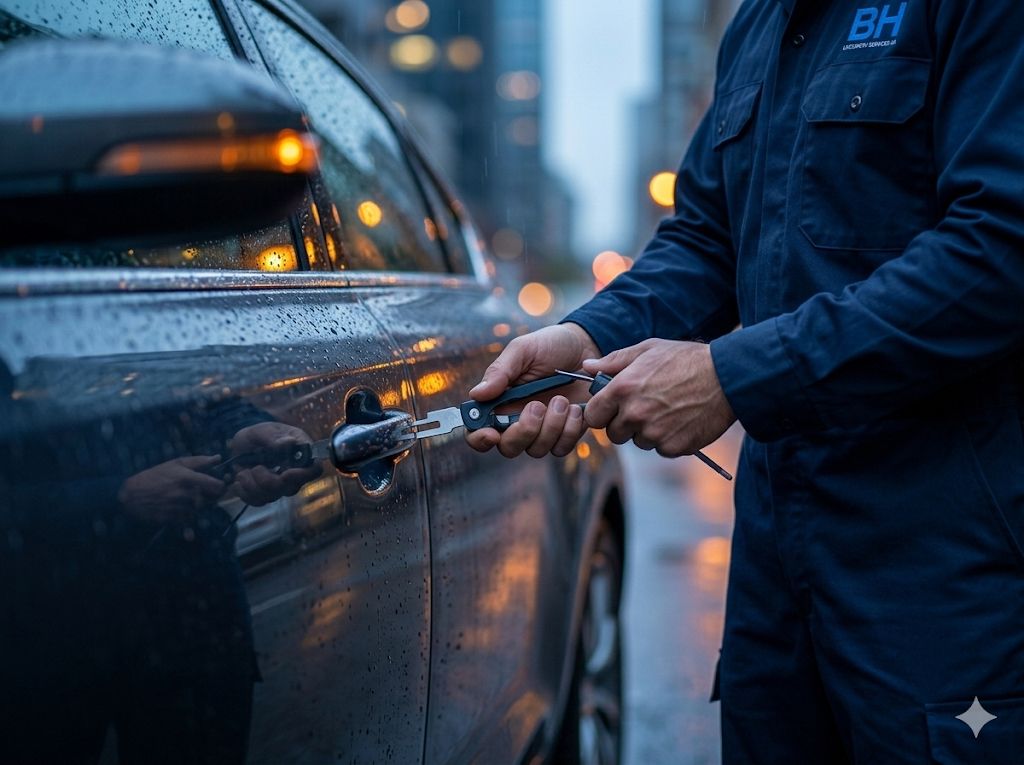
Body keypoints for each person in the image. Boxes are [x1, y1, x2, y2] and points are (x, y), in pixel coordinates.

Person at [467, 1, 1024, 762]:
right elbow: (704, 237)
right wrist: (589, 338)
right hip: (776, 571)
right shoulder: (758, 24)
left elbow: (999, 250)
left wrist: (734, 376)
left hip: (945, 561)